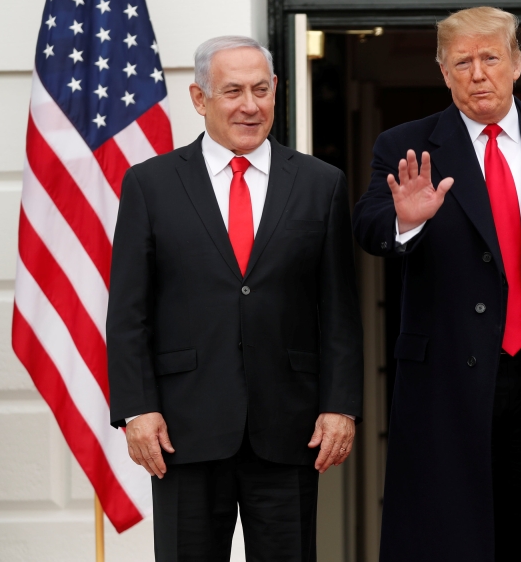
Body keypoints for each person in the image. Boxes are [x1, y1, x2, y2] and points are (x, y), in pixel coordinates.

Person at [352, 6, 521, 562]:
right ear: (443, 71)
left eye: (490, 58)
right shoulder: (408, 145)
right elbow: (369, 228)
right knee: (452, 536)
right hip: (445, 385)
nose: (478, 73)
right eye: (462, 62)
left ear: (517, 64)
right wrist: (408, 219)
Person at [107, 36, 363, 562]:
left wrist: (340, 406)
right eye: (233, 92)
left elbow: (339, 311)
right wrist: (137, 409)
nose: (250, 105)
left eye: (261, 90)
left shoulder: (322, 184)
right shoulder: (151, 184)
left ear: (277, 93)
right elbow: (129, 312)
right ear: (200, 99)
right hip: (183, 428)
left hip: (290, 428)